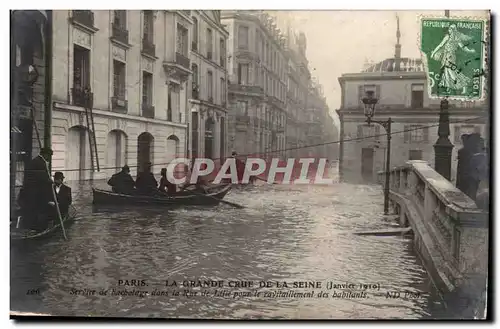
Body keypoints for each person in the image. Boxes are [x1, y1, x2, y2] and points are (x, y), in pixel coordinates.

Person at [20, 147, 54, 230]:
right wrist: (50, 180)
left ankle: (31, 227)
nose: (49, 158)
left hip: (31, 190)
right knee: (37, 209)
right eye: (49, 156)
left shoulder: (36, 161)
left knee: (32, 209)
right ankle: (36, 228)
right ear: (45, 154)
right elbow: (42, 179)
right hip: (35, 191)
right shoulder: (40, 163)